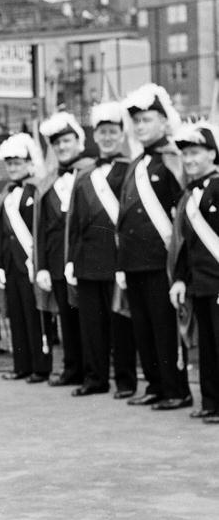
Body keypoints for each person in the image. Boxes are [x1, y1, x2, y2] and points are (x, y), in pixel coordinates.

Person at [118, 83, 189, 409]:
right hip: (134, 261)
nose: (141, 127)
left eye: (147, 120)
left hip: (163, 260)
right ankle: (156, 385)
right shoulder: (137, 164)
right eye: (137, 121)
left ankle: (176, 389)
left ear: (163, 120)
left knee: (165, 328)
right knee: (143, 329)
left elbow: (184, 214)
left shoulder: (174, 160)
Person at [67, 102, 137, 399]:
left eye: (113, 132)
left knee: (120, 324)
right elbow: (74, 219)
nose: (107, 137)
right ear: (94, 136)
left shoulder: (130, 169)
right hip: (86, 259)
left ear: (121, 134)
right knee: (91, 325)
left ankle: (125, 381)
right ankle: (95, 378)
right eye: (102, 132)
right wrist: (70, 259)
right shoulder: (83, 174)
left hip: (116, 258)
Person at [35, 111, 93, 389]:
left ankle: (95, 371)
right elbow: (42, 228)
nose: (62, 147)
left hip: (86, 259)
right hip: (58, 260)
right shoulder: (48, 183)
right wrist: (42, 266)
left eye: (67, 141)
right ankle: (73, 369)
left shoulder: (92, 172)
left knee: (89, 319)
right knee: (67, 321)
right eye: (57, 143)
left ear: (79, 142)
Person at [0, 133, 53, 384]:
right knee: (16, 316)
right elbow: (0, 232)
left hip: (31, 262)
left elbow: (42, 228)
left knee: (35, 315)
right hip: (11, 264)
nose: (13, 168)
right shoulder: (7, 193)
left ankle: (41, 367)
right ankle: (21, 366)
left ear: (30, 163)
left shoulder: (37, 188)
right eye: (9, 164)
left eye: (18, 163)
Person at [168, 121, 219, 422]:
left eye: (195, 153)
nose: (188, 160)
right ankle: (211, 402)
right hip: (200, 283)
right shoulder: (188, 196)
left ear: (213, 154)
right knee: (208, 348)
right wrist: (179, 280)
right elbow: (185, 247)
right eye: (185, 155)